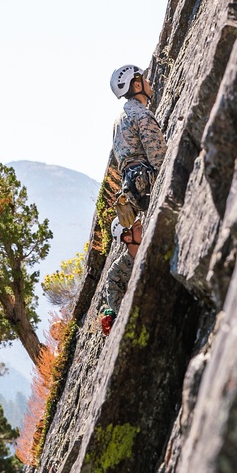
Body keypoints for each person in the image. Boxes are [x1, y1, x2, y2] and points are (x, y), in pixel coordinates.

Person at [98, 64, 166, 336]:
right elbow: (159, 156)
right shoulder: (140, 114)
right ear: (136, 85)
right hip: (145, 179)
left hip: (131, 184)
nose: (149, 82)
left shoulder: (119, 120)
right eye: (144, 79)